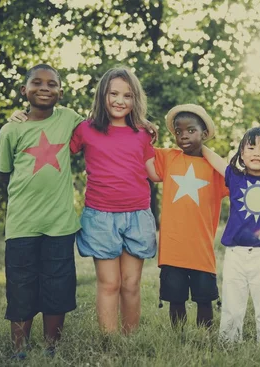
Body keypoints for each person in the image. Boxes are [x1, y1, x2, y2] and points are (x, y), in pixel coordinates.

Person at [0, 64, 83, 359]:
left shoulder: (70, 118)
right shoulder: (11, 129)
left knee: (57, 286)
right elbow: (4, 172)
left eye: (52, 84)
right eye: (37, 83)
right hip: (21, 224)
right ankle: (19, 348)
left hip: (59, 225)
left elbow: (101, 128)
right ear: (25, 91)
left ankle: (50, 347)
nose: (45, 88)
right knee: (21, 285)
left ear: (60, 91)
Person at [69, 67, 158, 335]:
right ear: (102, 95)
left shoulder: (143, 133)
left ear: (135, 100)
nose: (120, 101)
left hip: (137, 215)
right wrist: (24, 117)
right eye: (114, 93)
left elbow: (154, 172)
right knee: (109, 284)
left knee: (130, 285)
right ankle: (109, 341)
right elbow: (57, 150)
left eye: (127, 95)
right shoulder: (85, 129)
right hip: (100, 216)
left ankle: (129, 339)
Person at [202, 126, 260, 343]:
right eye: (251, 147)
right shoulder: (235, 178)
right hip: (235, 253)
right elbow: (215, 160)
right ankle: (228, 345)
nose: (256, 153)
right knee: (231, 305)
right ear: (242, 154)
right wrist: (199, 144)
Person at [153, 104, 228, 329]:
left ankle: (205, 336)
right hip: (172, 248)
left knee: (204, 299)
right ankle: (179, 337)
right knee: (176, 300)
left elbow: (235, 176)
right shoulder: (169, 158)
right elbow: (140, 148)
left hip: (201, 249)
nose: (184, 135)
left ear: (204, 134)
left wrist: (205, 150)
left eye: (191, 130)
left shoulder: (214, 167)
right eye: (178, 131)